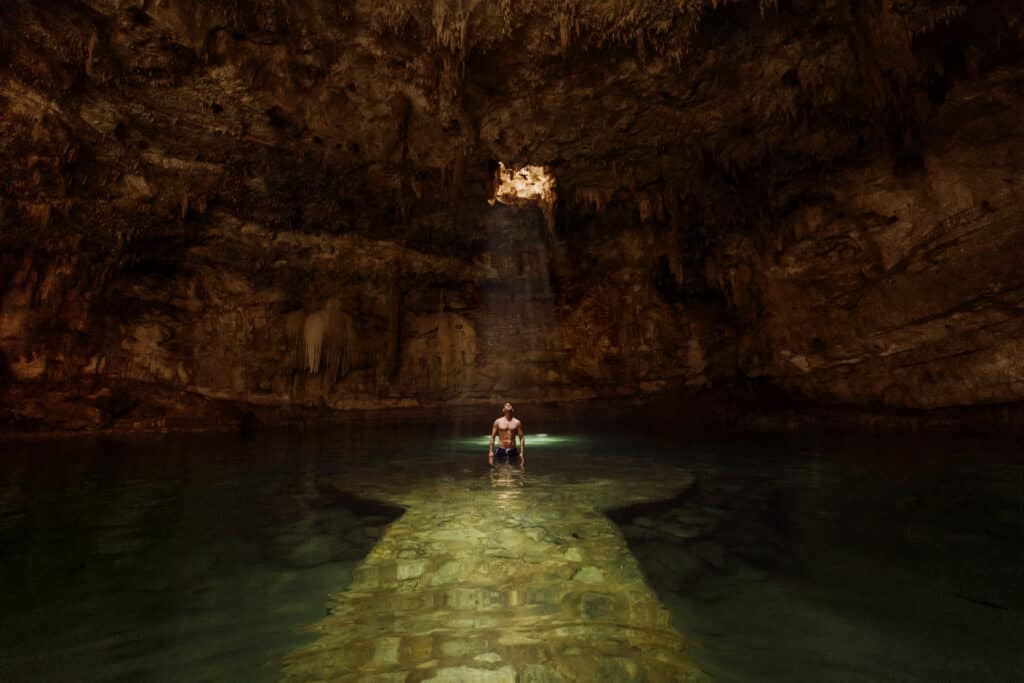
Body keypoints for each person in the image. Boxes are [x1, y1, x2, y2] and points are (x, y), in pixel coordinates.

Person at [489, 402, 524, 466]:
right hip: (501, 450)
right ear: (503, 410)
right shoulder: (498, 421)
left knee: (513, 470)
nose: (508, 405)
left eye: (510, 405)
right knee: (501, 470)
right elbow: (492, 437)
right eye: (506, 405)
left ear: (512, 409)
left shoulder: (517, 422)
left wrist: (522, 452)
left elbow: (521, 438)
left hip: (513, 450)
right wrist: (491, 451)